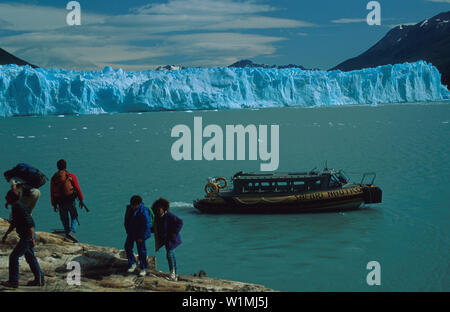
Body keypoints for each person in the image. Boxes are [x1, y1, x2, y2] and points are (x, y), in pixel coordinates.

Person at [1, 190, 44, 288]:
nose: (5, 197)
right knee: (30, 257)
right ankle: (39, 279)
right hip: (26, 236)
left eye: (7, 196)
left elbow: (30, 224)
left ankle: (14, 281)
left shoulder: (19, 207)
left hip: (27, 236)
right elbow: (14, 223)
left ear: (11, 198)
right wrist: (6, 234)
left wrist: (32, 239)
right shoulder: (16, 206)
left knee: (13, 257)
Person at [50, 159, 84, 241]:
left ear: (57, 167)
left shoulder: (54, 178)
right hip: (70, 199)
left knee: (64, 218)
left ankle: (67, 232)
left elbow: (52, 192)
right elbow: (77, 188)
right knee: (74, 216)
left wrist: (54, 205)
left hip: (60, 202)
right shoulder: (70, 176)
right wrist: (81, 200)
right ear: (65, 166)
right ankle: (72, 232)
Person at [152, 198, 183, 281]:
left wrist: (174, 232)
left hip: (172, 239)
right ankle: (174, 273)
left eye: (159, 209)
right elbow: (155, 228)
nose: (158, 211)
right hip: (166, 239)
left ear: (164, 209)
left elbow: (180, 222)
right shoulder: (157, 217)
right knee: (171, 255)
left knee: (169, 254)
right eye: (157, 210)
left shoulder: (169, 215)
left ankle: (172, 273)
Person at [124, 195, 152, 276]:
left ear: (138, 204)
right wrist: (127, 230)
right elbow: (127, 220)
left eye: (134, 205)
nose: (132, 206)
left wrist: (142, 237)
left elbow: (147, 225)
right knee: (127, 247)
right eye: (132, 204)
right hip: (131, 232)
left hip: (140, 234)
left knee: (142, 251)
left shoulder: (143, 212)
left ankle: (143, 268)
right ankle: (133, 263)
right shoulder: (129, 208)